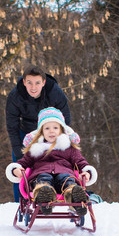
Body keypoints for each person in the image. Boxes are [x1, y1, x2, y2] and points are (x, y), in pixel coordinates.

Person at [5, 107, 93, 216]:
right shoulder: (35, 149)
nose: (51, 131)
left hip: (64, 174)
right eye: (47, 128)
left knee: (67, 179)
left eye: (55, 127)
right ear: (41, 131)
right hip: (41, 174)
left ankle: (74, 196)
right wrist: (15, 170)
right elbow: (22, 162)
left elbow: (81, 162)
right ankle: (44, 196)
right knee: (43, 179)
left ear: (61, 129)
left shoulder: (69, 148)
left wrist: (87, 172)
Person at [6, 65, 71, 202]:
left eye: (37, 83)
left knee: (54, 165)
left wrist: (61, 141)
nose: (33, 87)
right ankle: (22, 203)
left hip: (50, 132)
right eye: (29, 82)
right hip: (26, 132)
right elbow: (12, 127)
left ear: (43, 82)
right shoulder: (15, 96)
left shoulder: (55, 92)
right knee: (21, 168)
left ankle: (60, 194)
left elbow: (65, 121)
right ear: (24, 82)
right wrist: (19, 153)